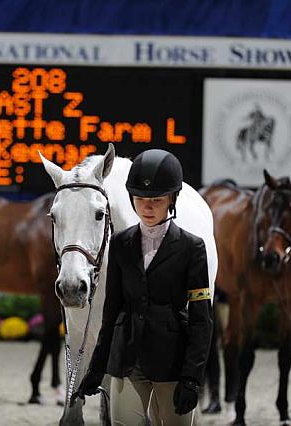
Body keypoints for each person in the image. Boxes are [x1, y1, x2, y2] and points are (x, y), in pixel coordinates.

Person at [73, 149, 213, 425]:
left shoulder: (192, 248)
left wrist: (193, 378)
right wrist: (97, 367)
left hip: (172, 363)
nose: (147, 208)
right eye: (140, 200)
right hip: (127, 361)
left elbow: (202, 320)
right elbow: (111, 312)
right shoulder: (121, 245)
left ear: (171, 199)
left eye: (156, 200)